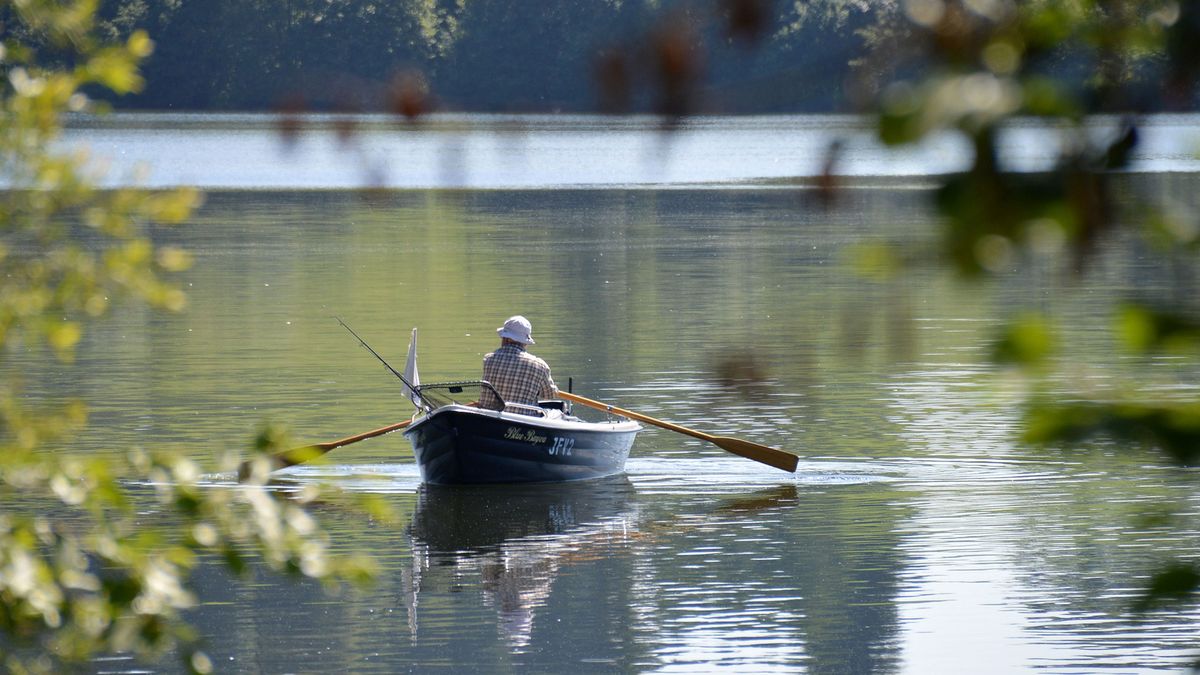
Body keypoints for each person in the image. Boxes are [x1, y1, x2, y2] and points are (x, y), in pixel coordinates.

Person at [480, 315, 558, 413]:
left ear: (505, 338)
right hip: (523, 420)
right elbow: (549, 395)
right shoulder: (540, 366)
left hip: (489, 418)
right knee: (558, 413)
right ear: (524, 341)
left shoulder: (488, 359)